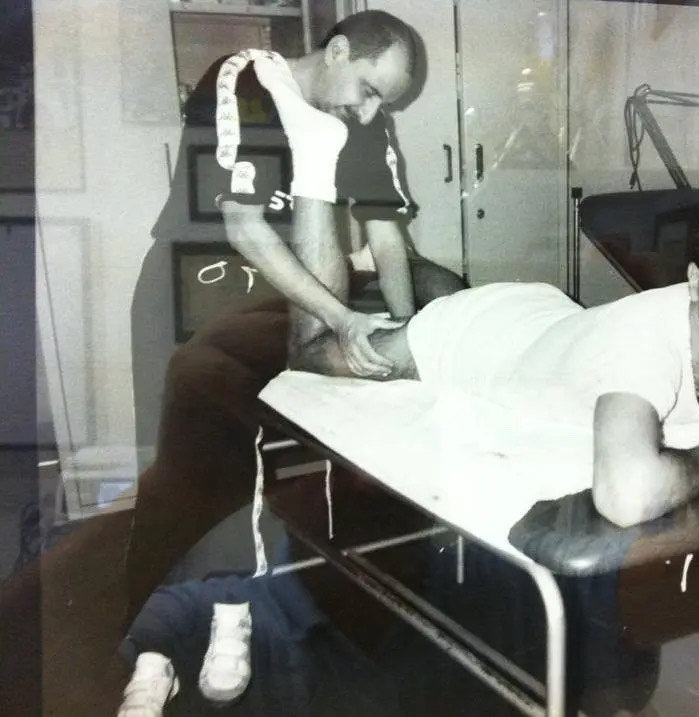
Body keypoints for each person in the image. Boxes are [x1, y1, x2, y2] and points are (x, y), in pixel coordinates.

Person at [122, 10, 467, 712]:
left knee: (272, 461)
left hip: (289, 293)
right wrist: (342, 318)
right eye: (368, 89)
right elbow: (243, 227)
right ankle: (157, 645)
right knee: (190, 466)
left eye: (383, 101)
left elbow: (386, 237)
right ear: (336, 51)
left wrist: (403, 334)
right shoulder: (247, 81)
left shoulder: (363, 120)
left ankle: (239, 614)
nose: (370, 110)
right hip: (200, 280)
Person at [291, 186, 699, 527]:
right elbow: (625, 497)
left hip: (551, 318)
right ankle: (321, 189)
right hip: (478, 339)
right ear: (693, 282)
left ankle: (403, 264)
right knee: (311, 354)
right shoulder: (642, 340)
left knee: (447, 292)